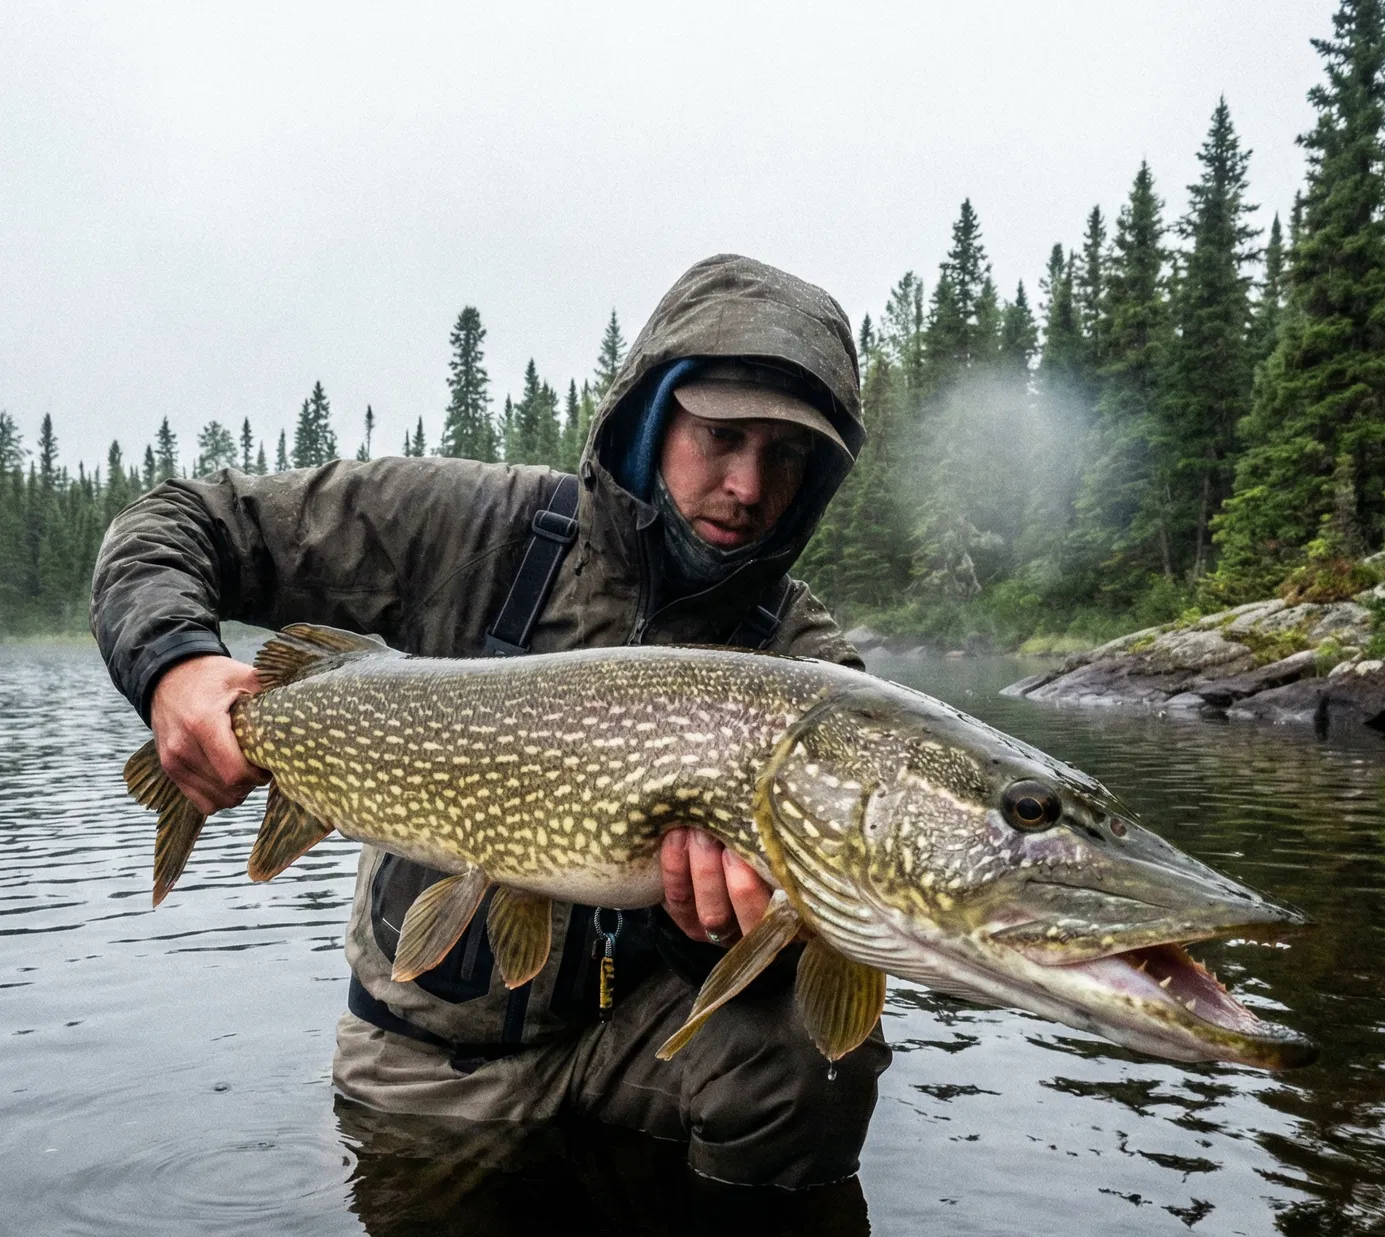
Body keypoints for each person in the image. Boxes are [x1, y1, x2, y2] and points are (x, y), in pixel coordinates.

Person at [92, 254, 890, 1189]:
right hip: (434, 1058)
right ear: (654, 416)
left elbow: (827, 940)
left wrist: (712, 931)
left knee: (815, 1051)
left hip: (641, 1048)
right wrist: (175, 665)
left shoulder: (805, 663)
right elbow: (177, 522)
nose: (748, 486)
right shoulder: (474, 524)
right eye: (720, 435)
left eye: (786, 455)